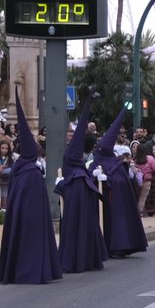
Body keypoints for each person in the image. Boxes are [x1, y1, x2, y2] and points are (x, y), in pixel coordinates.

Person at [0, 99, 62, 285]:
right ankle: (31, 271)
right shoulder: (32, 172)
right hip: (33, 219)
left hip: (19, 217)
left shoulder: (18, 169)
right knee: (31, 244)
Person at [56, 97, 107, 275]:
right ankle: (87, 258)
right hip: (78, 193)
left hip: (75, 194)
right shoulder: (79, 173)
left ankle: (75, 259)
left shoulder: (77, 174)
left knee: (73, 226)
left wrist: (62, 183)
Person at [92, 108, 148, 258]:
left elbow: (122, 181)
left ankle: (120, 246)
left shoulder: (117, 164)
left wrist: (108, 181)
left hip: (114, 202)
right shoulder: (95, 163)